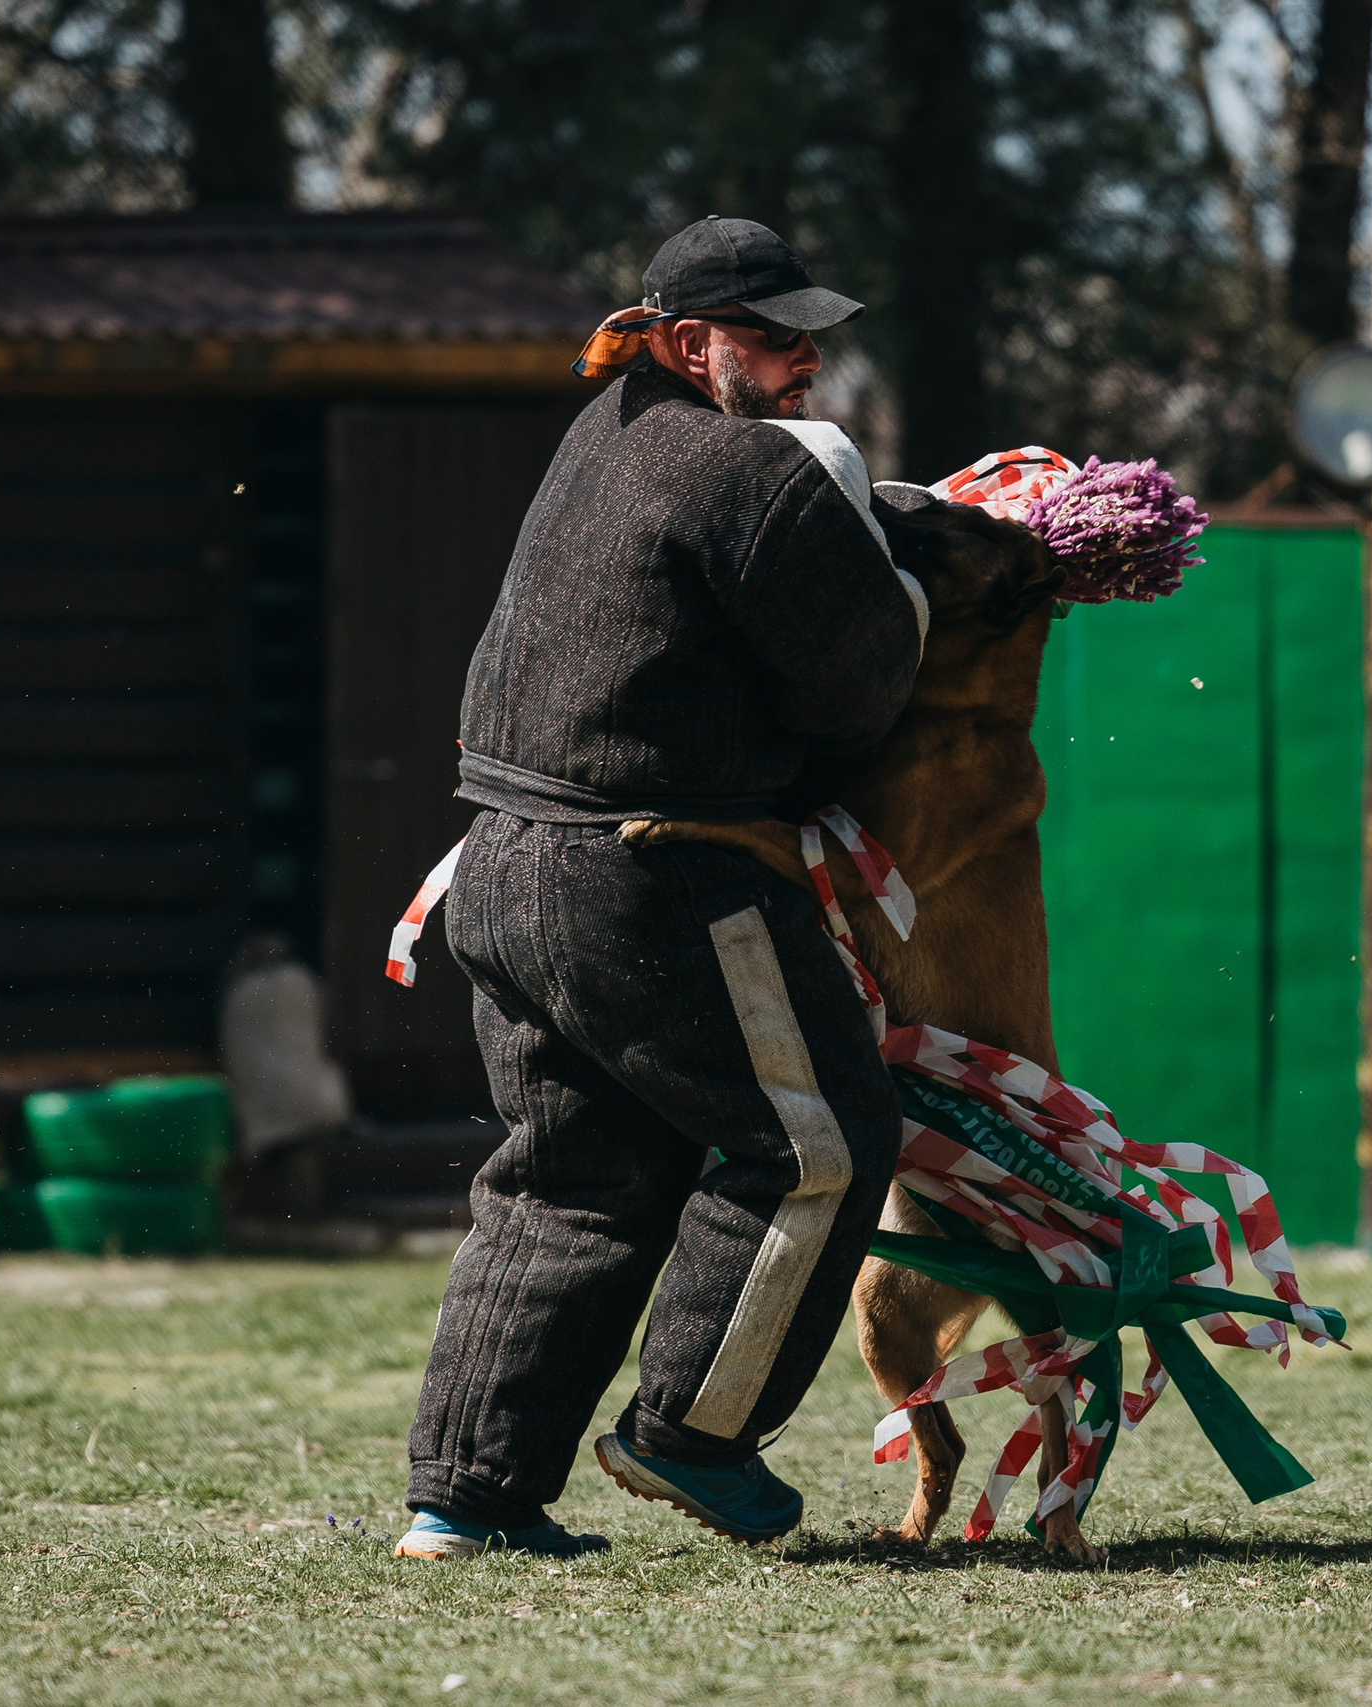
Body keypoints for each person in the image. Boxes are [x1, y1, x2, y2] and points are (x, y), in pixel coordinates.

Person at [396, 217, 929, 1561]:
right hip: (655, 871)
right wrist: (917, 578)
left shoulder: (603, 436)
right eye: (775, 335)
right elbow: (859, 687)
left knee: (569, 1181)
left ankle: (467, 1500)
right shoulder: (751, 472)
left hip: (498, 868)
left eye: (810, 333)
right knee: (819, 1142)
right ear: (692, 345)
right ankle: (692, 1433)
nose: (806, 358)